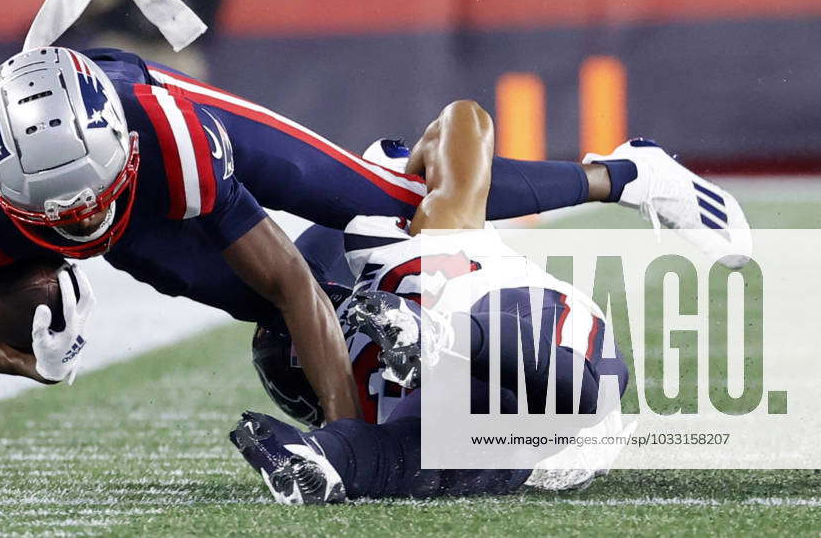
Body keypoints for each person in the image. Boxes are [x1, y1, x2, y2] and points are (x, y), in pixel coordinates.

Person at [0, 0, 751, 432]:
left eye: (92, 195)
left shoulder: (165, 138)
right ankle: (397, 297)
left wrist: (353, 451)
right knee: (269, 313)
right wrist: (32, 365)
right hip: (137, 183)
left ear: (117, 151)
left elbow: (292, 281)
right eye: (60, 217)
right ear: (8, 194)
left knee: (385, 195)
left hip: (186, 142)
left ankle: (625, 174)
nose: (84, 218)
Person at [228, 99, 723, 504]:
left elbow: (463, 121)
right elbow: (464, 124)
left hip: (512, 326)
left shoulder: (390, 233)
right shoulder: (371, 271)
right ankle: (323, 460)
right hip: (503, 426)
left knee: (570, 388)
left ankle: (441, 340)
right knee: (426, 453)